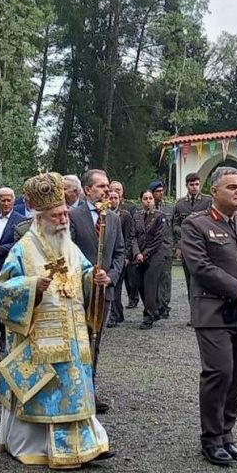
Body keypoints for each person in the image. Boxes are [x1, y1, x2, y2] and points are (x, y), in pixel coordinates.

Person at [0, 172, 114, 469]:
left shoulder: (70, 247)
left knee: (76, 388)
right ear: (42, 216)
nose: (63, 219)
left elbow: (83, 275)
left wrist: (94, 279)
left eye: (64, 214)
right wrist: (33, 286)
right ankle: (38, 446)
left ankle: (88, 444)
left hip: (72, 337)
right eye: (57, 215)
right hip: (40, 339)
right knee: (46, 391)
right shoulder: (23, 248)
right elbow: (3, 287)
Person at [180, 166, 237, 467]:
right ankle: (211, 439)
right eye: (232, 187)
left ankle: (227, 434)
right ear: (214, 192)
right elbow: (200, 267)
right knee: (220, 372)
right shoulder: (196, 225)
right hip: (213, 310)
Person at [69, 169, 126, 413]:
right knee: (76, 340)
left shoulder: (113, 218)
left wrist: (111, 277)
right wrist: (86, 274)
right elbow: (68, 251)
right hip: (79, 290)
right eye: (101, 186)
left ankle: (89, 390)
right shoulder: (72, 215)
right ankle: (72, 391)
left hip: (105, 291)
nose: (107, 190)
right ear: (87, 190)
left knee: (95, 341)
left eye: (108, 186)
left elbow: (121, 252)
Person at [0, 187, 26, 356]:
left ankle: (7, 334)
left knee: (8, 302)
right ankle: (2, 329)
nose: (5, 203)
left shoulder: (21, 221)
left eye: (9, 200)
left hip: (10, 267)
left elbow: (21, 244)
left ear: (13, 200)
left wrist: (0, 248)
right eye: (2, 200)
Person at [172, 172, 213, 312]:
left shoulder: (208, 201)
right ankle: (194, 312)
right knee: (190, 280)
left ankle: (206, 311)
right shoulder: (180, 204)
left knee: (205, 278)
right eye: (191, 185)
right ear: (187, 186)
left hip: (204, 246)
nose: (194, 187)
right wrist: (182, 237)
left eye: (197, 184)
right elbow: (175, 225)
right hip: (187, 246)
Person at [131, 190, 168, 329]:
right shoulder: (137, 216)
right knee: (139, 284)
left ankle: (148, 317)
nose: (148, 201)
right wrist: (136, 253)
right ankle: (154, 309)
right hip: (139, 254)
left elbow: (158, 239)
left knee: (149, 285)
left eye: (150, 198)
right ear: (141, 200)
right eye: (145, 198)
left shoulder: (160, 216)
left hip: (155, 255)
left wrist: (144, 254)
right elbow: (132, 236)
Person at [107, 188, 133, 325]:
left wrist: (127, 256)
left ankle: (114, 315)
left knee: (116, 287)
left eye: (115, 198)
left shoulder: (125, 215)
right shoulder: (103, 214)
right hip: (107, 256)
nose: (113, 201)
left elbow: (129, 237)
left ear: (120, 199)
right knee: (110, 286)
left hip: (120, 255)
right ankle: (118, 313)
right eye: (110, 198)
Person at [150, 180, 174, 320]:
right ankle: (155, 305)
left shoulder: (170, 208)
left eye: (162, 190)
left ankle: (164, 306)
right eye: (158, 191)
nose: (161, 193)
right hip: (153, 248)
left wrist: (176, 245)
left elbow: (175, 226)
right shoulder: (148, 207)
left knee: (166, 278)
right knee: (154, 278)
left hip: (166, 247)